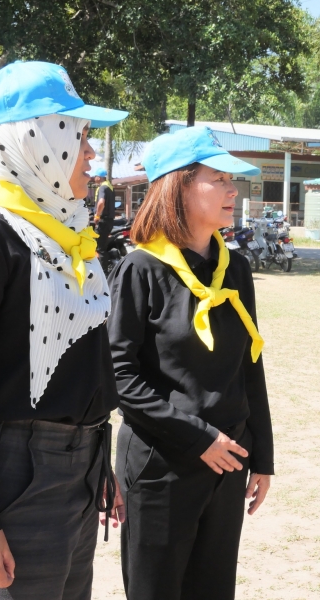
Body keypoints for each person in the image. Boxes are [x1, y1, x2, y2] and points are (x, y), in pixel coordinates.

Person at [0, 60, 128, 599]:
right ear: (35, 140)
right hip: (15, 471)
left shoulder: (64, 230)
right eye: (78, 136)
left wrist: (97, 466)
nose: (91, 153)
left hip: (77, 468)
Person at [107, 125, 272, 600]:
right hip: (162, 464)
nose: (232, 190)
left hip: (229, 461)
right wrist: (199, 437)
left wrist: (261, 456)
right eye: (218, 179)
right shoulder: (140, 269)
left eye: (231, 180)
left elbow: (250, 365)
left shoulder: (235, 269)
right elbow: (121, 378)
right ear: (178, 187)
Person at [92, 167, 115, 255]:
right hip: (109, 221)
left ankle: (101, 264)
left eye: (95, 176)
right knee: (103, 246)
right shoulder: (110, 187)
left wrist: (97, 216)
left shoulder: (103, 187)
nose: (94, 178)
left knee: (99, 249)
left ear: (99, 177)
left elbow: (101, 202)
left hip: (103, 221)